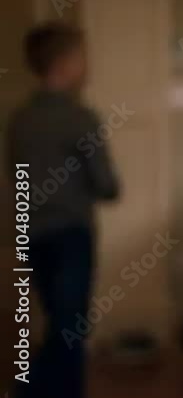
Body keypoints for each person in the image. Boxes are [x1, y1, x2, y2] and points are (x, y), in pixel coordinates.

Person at [5, 20, 121, 398]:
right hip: (71, 235)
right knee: (70, 331)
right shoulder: (80, 118)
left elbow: (15, 177)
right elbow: (107, 185)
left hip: (32, 234)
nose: (87, 66)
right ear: (66, 63)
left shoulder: (20, 120)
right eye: (82, 57)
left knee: (58, 324)